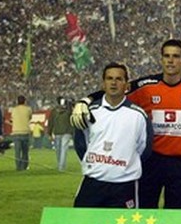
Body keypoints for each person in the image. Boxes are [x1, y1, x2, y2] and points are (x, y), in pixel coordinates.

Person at [73, 63, 153, 208]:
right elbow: (80, 144)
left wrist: (123, 166)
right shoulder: (90, 112)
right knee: (82, 222)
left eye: (119, 79)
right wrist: (97, 164)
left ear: (126, 85)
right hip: (93, 183)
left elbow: (144, 150)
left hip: (124, 186)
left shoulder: (138, 115)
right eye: (109, 78)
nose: (114, 83)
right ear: (103, 84)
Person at [48, 98, 75, 171]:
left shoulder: (54, 111)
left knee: (58, 150)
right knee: (63, 150)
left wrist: (49, 133)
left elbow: (51, 123)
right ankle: (61, 166)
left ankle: (60, 165)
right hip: (67, 132)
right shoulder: (69, 111)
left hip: (58, 132)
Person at [8, 96, 33, 171]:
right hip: (25, 131)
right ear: (25, 101)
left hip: (16, 132)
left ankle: (18, 167)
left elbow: (12, 119)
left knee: (17, 151)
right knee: (25, 151)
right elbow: (30, 117)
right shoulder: (28, 109)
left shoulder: (14, 110)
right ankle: (24, 166)